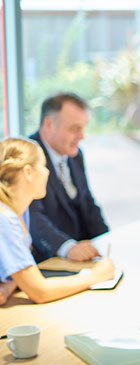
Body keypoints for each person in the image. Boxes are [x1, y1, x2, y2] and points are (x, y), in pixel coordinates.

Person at [0, 138, 115, 305]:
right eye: (43, 166)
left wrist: (10, 285)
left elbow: (18, 271)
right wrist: (95, 276)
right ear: (28, 172)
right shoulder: (6, 220)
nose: (48, 173)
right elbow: (40, 291)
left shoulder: (20, 212)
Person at [28, 93, 109, 263]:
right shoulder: (27, 158)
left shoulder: (75, 155)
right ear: (49, 125)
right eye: (74, 129)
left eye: (83, 128)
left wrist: (107, 241)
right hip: (50, 259)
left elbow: (87, 203)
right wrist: (67, 247)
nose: (82, 136)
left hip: (83, 256)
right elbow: (32, 217)